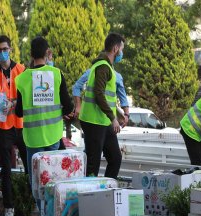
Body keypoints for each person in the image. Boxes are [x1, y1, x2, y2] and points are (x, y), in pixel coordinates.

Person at [15, 36, 73, 204]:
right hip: (53, 136)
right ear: (48, 53)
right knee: (54, 179)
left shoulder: (22, 78)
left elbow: (19, 112)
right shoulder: (56, 74)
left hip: (33, 139)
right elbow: (68, 107)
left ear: (31, 55)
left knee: (37, 182)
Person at [0, 35, 28, 216]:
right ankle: (9, 209)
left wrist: (14, 103)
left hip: (21, 124)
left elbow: (27, 97)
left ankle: (31, 203)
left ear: (11, 49)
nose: (2, 53)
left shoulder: (21, 70)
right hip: (3, 126)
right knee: (6, 170)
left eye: (5, 49)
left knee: (30, 166)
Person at [78, 33, 125, 179]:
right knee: (93, 165)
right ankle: (89, 196)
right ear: (115, 48)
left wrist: (117, 114)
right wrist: (113, 118)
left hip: (103, 121)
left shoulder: (106, 66)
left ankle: (106, 190)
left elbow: (107, 97)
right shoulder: (103, 67)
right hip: (93, 121)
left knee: (115, 158)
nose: (121, 53)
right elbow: (99, 95)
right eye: (122, 49)